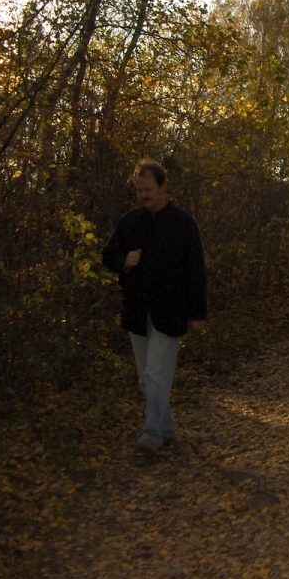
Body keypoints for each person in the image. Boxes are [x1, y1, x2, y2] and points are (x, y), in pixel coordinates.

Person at [102, 158, 207, 453]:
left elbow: (196, 270)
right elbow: (108, 254)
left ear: (163, 186)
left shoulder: (183, 224)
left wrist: (198, 313)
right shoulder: (130, 221)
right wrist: (124, 261)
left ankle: (152, 433)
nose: (144, 195)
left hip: (171, 312)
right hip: (137, 311)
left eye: (148, 189)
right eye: (139, 190)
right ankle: (168, 426)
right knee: (146, 379)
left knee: (155, 374)